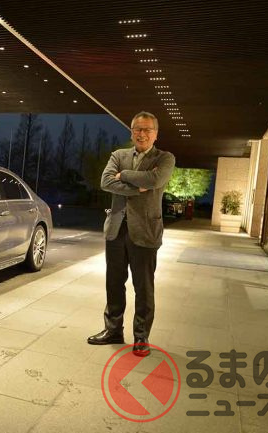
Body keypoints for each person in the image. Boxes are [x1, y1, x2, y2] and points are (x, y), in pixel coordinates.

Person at [87, 111, 175, 356]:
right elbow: (106, 182)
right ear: (131, 132)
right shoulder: (118, 155)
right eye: (137, 129)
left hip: (146, 230)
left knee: (143, 288)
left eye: (147, 129)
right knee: (114, 283)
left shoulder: (165, 158)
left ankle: (141, 336)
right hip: (116, 229)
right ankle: (113, 330)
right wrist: (139, 188)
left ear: (156, 134)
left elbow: (155, 179)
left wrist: (124, 175)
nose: (142, 134)